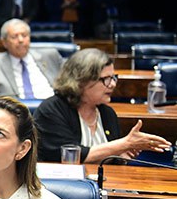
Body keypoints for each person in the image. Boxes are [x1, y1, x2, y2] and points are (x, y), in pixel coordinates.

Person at [33, 48, 171, 164]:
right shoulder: (52, 110)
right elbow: (71, 157)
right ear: (82, 80)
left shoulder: (107, 113)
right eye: (106, 79)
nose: (112, 84)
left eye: (113, 77)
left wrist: (121, 155)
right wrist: (124, 144)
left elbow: (109, 158)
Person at [0, 19, 62, 99]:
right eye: (14, 37)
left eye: (24, 35)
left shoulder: (51, 56)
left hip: (52, 109)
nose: (20, 40)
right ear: (4, 42)